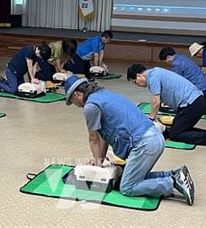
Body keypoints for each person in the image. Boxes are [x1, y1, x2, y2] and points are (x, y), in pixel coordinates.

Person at [63, 75, 195, 205]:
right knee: (133, 178)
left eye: (71, 101)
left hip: (144, 144)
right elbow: (104, 136)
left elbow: (93, 139)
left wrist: (97, 168)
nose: (73, 104)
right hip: (154, 137)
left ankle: (172, 182)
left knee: (127, 187)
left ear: (76, 95)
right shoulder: (104, 94)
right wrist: (100, 160)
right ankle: (174, 174)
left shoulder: (90, 106)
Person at [127, 64, 206, 149]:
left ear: (139, 76)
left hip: (192, 104)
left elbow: (156, 101)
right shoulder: (156, 71)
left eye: (135, 82)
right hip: (195, 101)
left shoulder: (152, 78)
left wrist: (151, 117)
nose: (137, 85)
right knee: (177, 127)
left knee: (175, 134)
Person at [159, 46, 206, 116]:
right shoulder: (181, 57)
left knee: (189, 107)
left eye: (165, 61)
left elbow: (174, 82)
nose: (166, 63)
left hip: (200, 89)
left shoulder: (177, 65)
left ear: (168, 57)